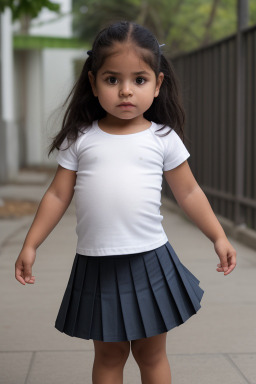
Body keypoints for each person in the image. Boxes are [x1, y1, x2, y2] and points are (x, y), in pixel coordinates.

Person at [15, 21, 236, 384]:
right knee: (109, 354)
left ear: (158, 83)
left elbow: (190, 192)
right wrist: (31, 243)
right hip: (96, 264)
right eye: (112, 79)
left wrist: (219, 236)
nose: (126, 91)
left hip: (150, 258)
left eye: (139, 80)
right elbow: (57, 194)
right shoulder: (80, 139)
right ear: (93, 83)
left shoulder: (163, 139)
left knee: (151, 354)